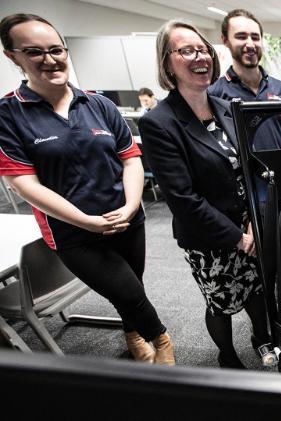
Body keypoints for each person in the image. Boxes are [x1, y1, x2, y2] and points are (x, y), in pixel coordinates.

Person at [0, 13, 174, 364]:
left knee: (130, 288)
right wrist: (86, 220)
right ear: (13, 56)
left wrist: (129, 206)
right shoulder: (9, 114)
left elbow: (130, 160)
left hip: (126, 220)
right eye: (35, 51)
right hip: (73, 232)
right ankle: (163, 345)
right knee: (126, 290)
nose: (50, 59)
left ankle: (133, 333)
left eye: (56, 49)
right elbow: (22, 184)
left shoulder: (99, 104)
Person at [137, 20, 274, 369]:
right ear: (168, 63)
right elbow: (183, 199)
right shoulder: (159, 122)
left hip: (248, 227)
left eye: (203, 49)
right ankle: (226, 354)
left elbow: (246, 168)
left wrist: (254, 223)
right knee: (222, 302)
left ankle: (263, 339)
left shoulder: (226, 106)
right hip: (209, 238)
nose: (200, 57)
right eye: (186, 50)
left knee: (256, 290)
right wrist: (238, 238)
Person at [208, 9, 281, 150]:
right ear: (225, 40)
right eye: (241, 37)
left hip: (279, 169)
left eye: (255, 37)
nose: (250, 44)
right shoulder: (214, 93)